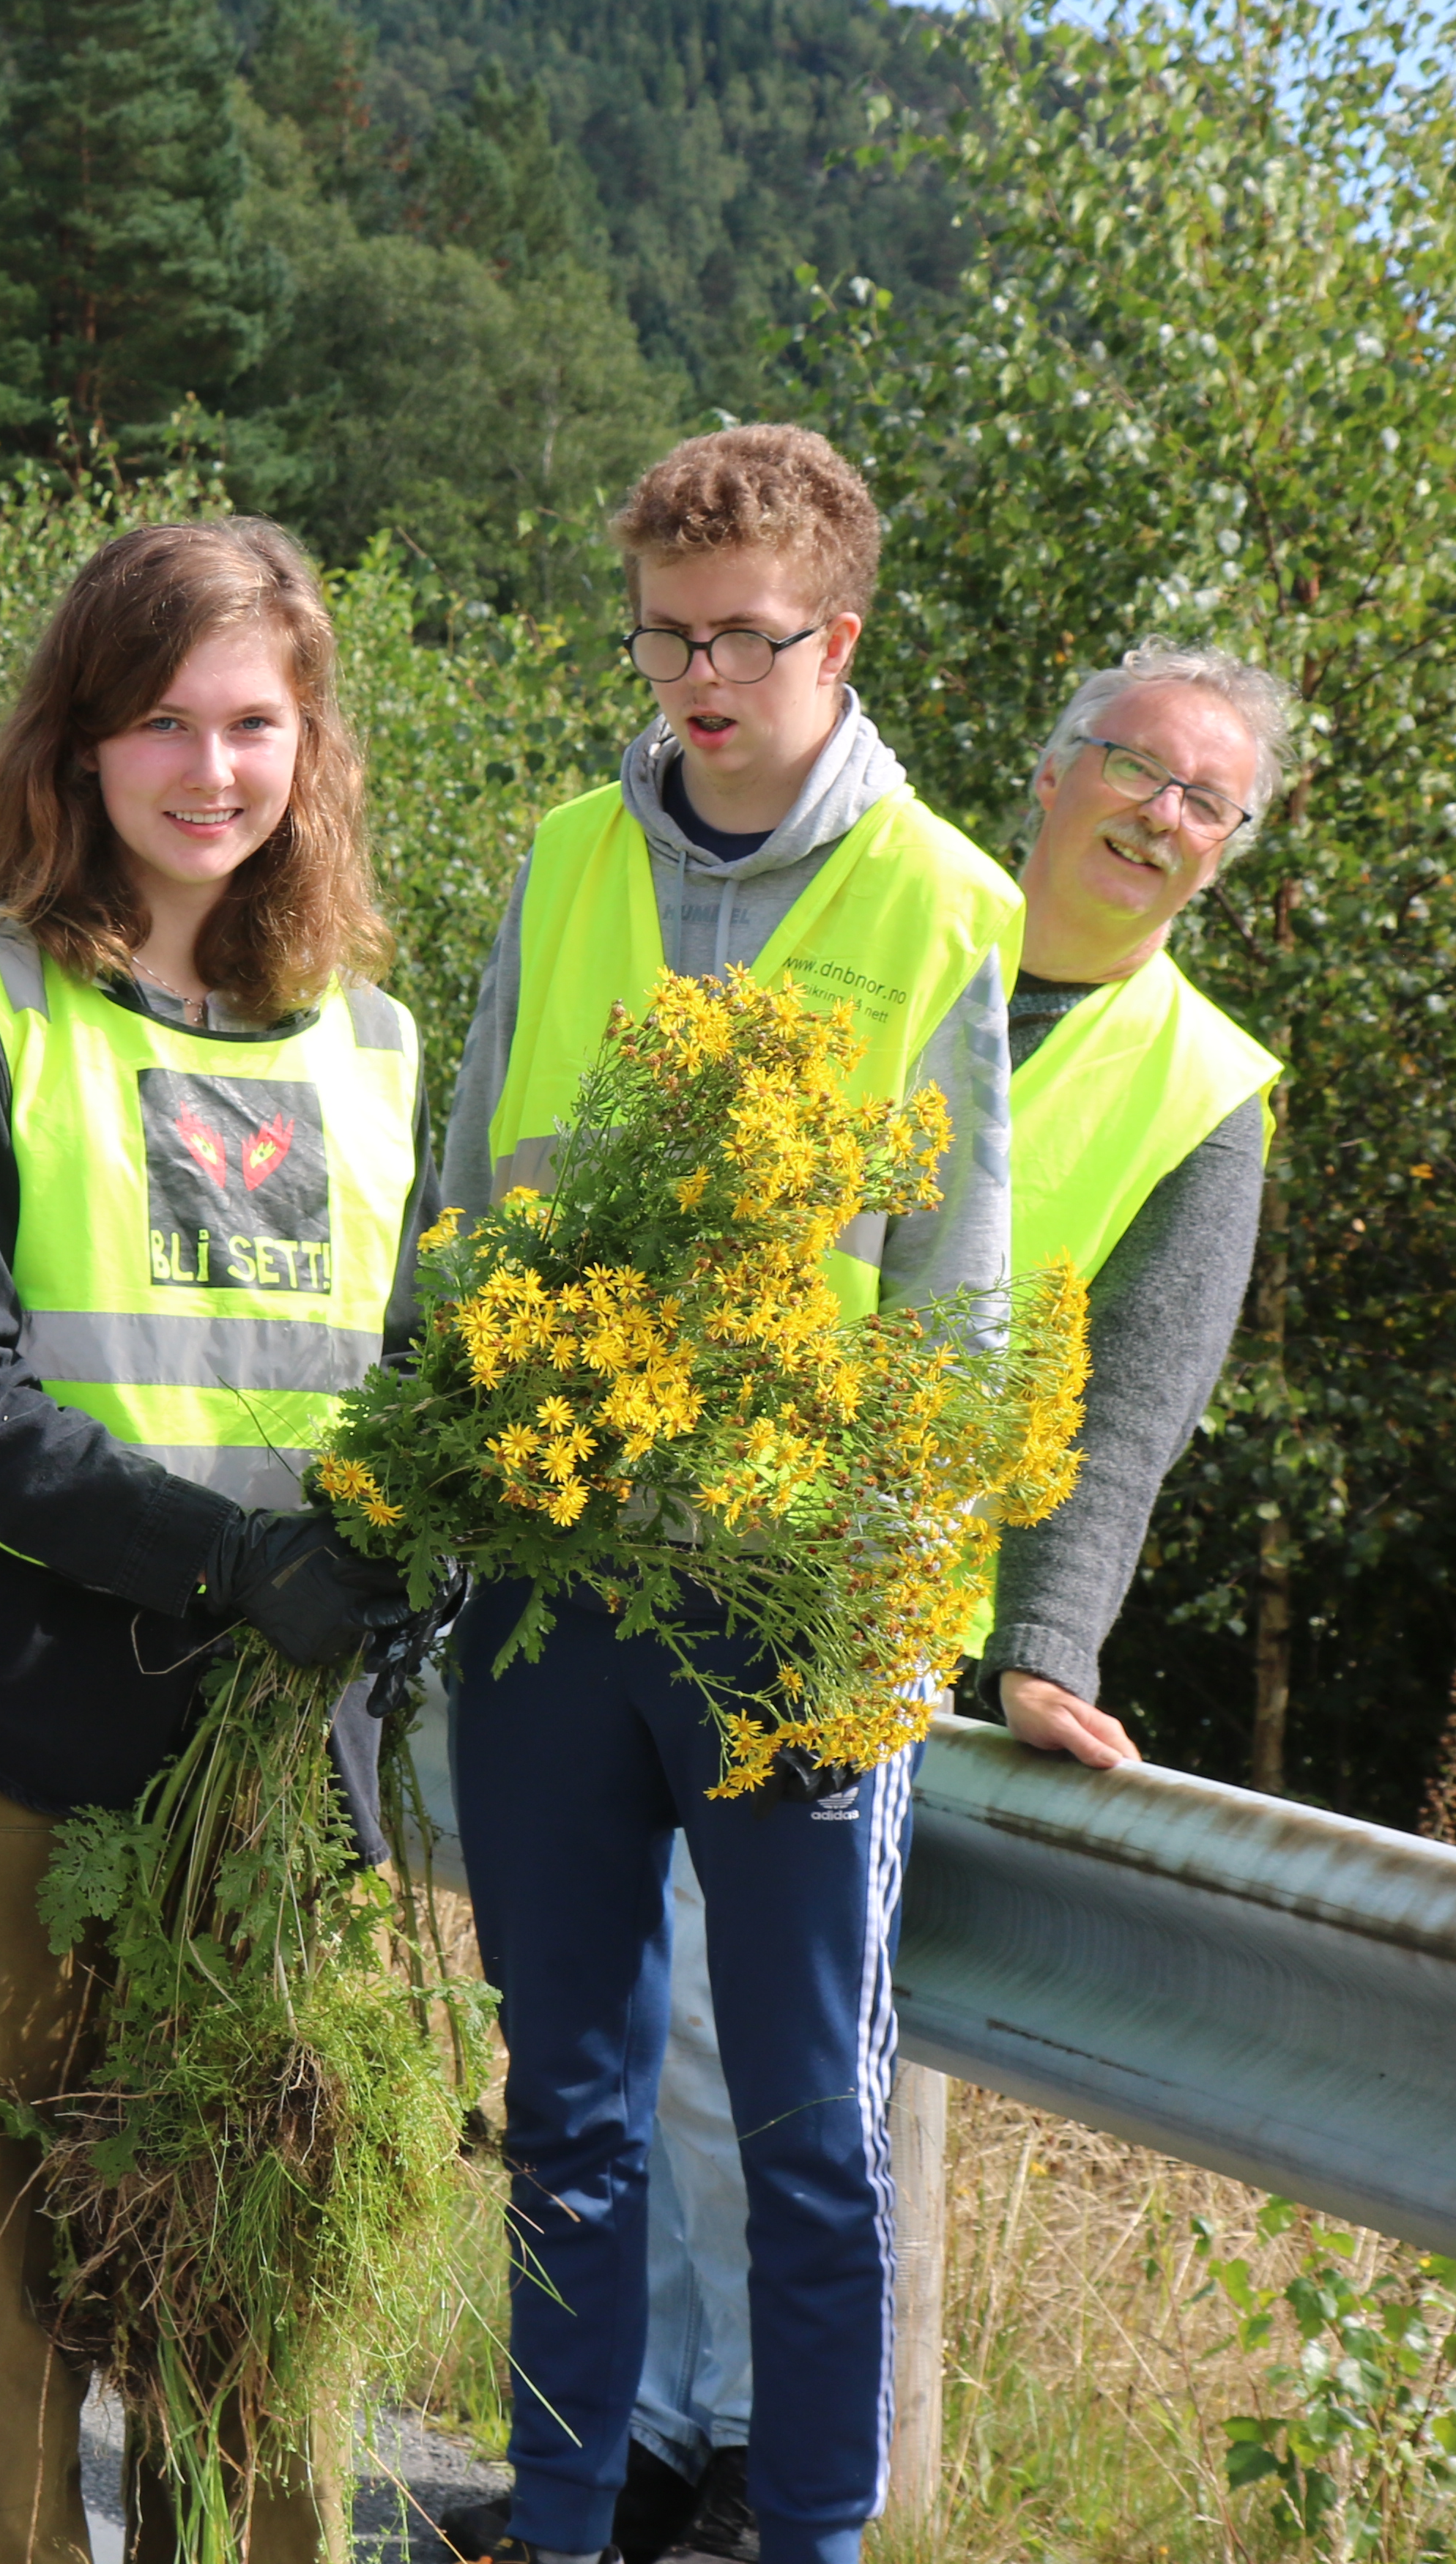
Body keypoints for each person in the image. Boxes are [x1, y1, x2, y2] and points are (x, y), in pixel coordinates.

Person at [574, 640, 1296, 2564]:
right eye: (1132, 766)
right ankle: (640, 2442)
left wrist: (1047, 1646)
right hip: (669, 1534)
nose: (1157, 814)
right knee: (634, 2035)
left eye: (1203, 800)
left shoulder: (1205, 1089)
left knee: (763, 2059)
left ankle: (751, 2460)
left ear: (1225, 853)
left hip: (870, 1597)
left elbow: (1136, 1401)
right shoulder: (896, 924)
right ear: (1051, 771)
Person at [412, 429, 1019, 2564]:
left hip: (788, 1620)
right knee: (566, 2115)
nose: (691, 678)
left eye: (737, 640)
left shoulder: (944, 901)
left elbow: (956, 1302)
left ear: (834, 637)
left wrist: (902, 1602)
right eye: (662, 635)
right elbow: (472, 1189)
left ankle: (814, 2540)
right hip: (552, 1595)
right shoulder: (569, 854)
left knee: (806, 2143)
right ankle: (564, 2520)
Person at [0, 516, 422, 2564]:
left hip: (261, 1788)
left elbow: (410, 1387)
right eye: (157, 720)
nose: (209, 768)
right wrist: (233, 1559)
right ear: (75, 748)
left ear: (309, 745)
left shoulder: (378, 1045)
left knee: (252, 2351)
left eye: (251, 721)